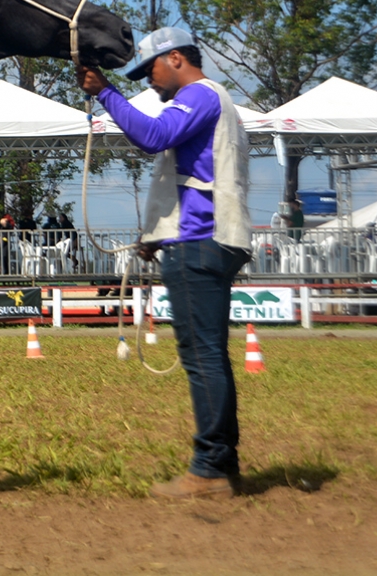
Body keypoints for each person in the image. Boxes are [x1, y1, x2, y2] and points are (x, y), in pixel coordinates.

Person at [78, 27, 252, 501]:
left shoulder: (198, 95)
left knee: (202, 359)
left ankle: (212, 468)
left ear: (175, 58)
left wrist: (107, 93)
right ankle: (222, 462)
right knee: (210, 357)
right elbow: (194, 174)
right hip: (205, 239)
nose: (148, 81)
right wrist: (157, 238)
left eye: (150, 69)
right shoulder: (217, 101)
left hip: (199, 243)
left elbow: (154, 136)